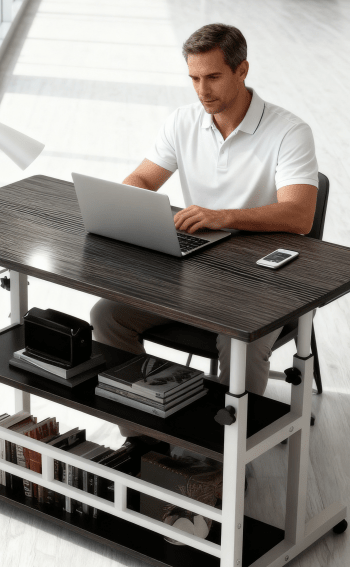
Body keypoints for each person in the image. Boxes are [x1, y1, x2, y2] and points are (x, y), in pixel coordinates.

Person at [91, 23, 319, 410]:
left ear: (242, 70)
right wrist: (126, 201)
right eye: (194, 78)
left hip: (263, 279)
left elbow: (299, 215)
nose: (202, 90)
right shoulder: (183, 121)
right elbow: (145, 177)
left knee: (239, 340)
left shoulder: (289, 131)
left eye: (212, 77)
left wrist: (222, 217)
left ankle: (225, 456)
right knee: (108, 314)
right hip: (194, 268)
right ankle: (143, 431)